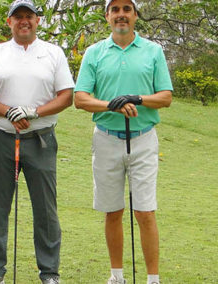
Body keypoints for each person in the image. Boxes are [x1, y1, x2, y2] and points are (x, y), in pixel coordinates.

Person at [74, 0, 173, 283]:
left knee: (145, 211)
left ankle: (153, 279)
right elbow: (80, 98)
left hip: (143, 139)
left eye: (127, 9)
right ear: (107, 16)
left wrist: (136, 99)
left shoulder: (153, 51)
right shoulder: (95, 53)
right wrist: (111, 105)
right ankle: (116, 276)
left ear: (135, 15)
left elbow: (165, 96)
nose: (121, 15)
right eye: (115, 9)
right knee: (113, 210)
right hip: (106, 139)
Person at [0, 0, 74, 283]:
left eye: (29, 17)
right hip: (3, 137)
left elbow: (66, 96)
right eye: (17, 17)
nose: (24, 21)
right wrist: (8, 111)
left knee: (45, 209)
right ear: (9, 22)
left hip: (40, 139)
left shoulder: (52, 53)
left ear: (37, 21)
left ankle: (49, 272)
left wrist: (33, 112)